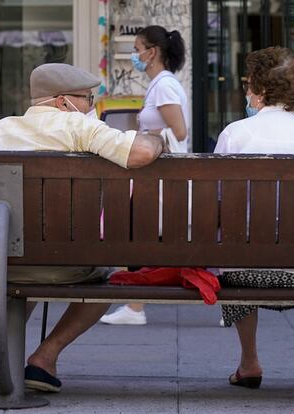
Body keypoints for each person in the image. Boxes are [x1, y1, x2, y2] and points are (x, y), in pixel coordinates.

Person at [0, 62, 166, 392]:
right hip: (65, 264)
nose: (91, 106)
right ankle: (44, 359)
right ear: (63, 102)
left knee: (20, 265)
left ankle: (2, 362)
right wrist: (158, 140)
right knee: (110, 277)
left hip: (1, 264)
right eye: (89, 99)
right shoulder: (78, 127)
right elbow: (140, 153)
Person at [214, 47, 294, 392]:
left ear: (260, 90)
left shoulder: (235, 133)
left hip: (248, 271)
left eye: (248, 84)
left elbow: (217, 200)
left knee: (233, 251)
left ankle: (249, 363)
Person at [100, 25, 189, 326]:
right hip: (157, 173)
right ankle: (135, 305)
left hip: (160, 174)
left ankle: (135, 306)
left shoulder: (163, 86)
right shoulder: (162, 84)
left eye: (137, 48)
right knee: (147, 233)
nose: (134, 55)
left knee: (141, 233)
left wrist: (148, 138)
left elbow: (179, 131)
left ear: (151, 53)